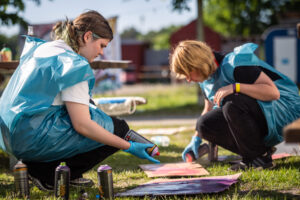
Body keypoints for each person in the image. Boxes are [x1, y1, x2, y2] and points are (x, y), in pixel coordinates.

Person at [0, 10, 159, 191]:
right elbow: (83, 126)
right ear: (88, 36)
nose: (101, 52)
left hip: (9, 135)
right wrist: (128, 145)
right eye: (102, 45)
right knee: (117, 129)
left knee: (91, 107)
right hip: (32, 137)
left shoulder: (44, 48)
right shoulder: (73, 64)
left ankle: (42, 167)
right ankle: (47, 174)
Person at [170, 40, 300, 170]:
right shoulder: (205, 79)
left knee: (231, 101)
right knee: (204, 124)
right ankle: (258, 152)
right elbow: (208, 109)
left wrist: (235, 87)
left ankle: (259, 158)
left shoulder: (234, 64)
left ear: (198, 64)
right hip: (262, 114)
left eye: (188, 73)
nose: (188, 79)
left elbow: (273, 93)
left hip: (285, 110)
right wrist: (196, 138)